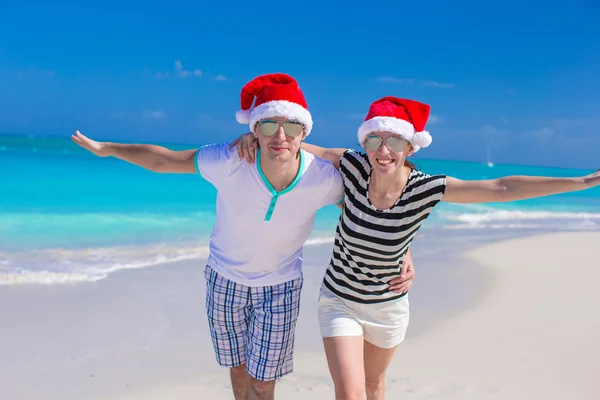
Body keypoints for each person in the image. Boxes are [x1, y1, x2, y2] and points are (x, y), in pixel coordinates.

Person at [70, 74, 416, 400]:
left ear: (303, 133)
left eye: (291, 126)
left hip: (279, 288)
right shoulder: (229, 160)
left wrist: (404, 254)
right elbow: (164, 160)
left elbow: (369, 212)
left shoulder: (323, 179)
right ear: (255, 128)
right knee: (237, 369)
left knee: (263, 383)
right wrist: (107, 149)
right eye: (268, 124)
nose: (280, 136)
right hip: (223, 280)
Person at [232, 95, 600, 400]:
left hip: (387, 307)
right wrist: (254, 138)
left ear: (409, 146)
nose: (383, 150)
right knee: (351, 394)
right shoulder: (353, 166)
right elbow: (298, 147)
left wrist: (583, 181)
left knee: (375, 386)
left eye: (393, 141)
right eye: (374, 139)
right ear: (365, 144)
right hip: (339, 300)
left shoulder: (427, 188)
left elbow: (502, 187)